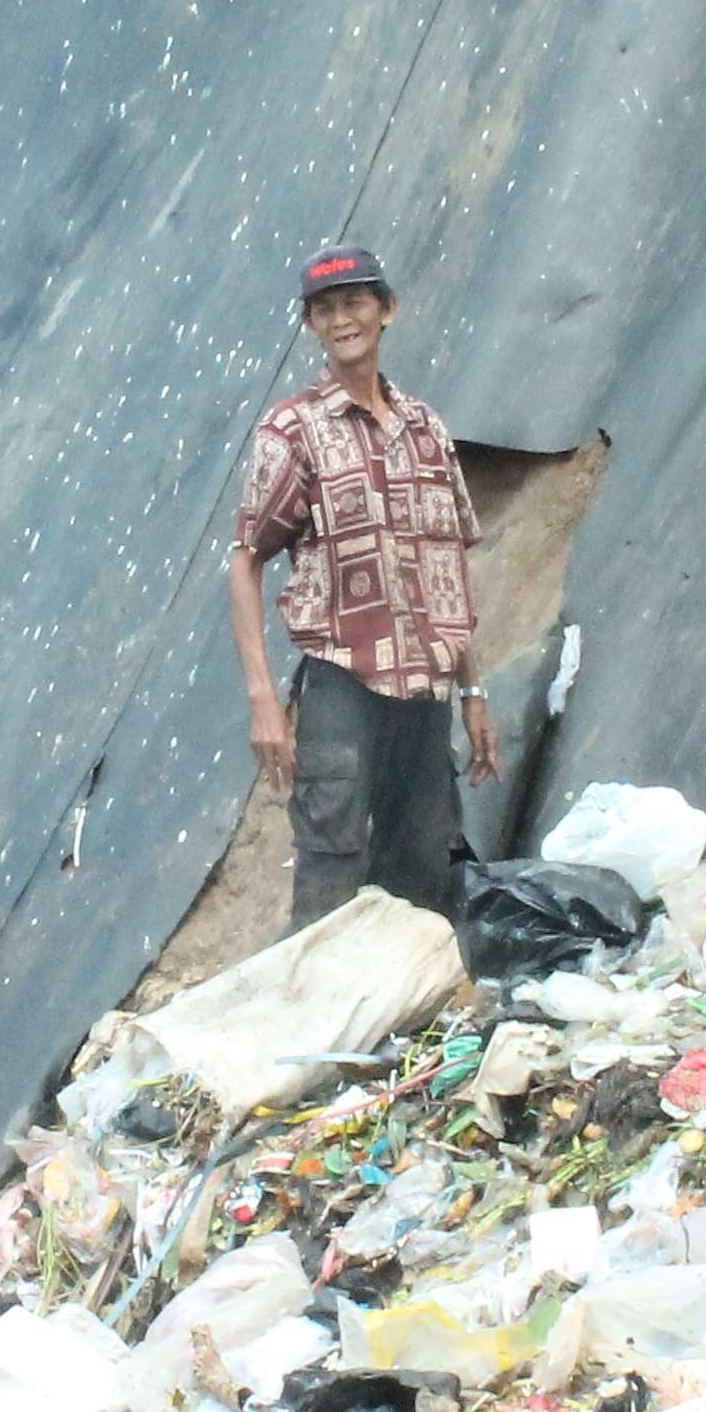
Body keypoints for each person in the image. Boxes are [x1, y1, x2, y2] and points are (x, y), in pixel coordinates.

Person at [226, 244, 497, 927]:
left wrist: (472, 692)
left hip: (424, 692)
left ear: (386, 309)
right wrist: (263, 697)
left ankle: (400, 1031)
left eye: (354, 302)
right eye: (325, 309)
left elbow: (448, 573)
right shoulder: (292, 432)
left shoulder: (427, 430)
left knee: (421, 868)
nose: (341, 319)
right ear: (312, 325)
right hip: (344, 683)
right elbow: (245, 558)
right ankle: (314, 1026)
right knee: (331, 864)